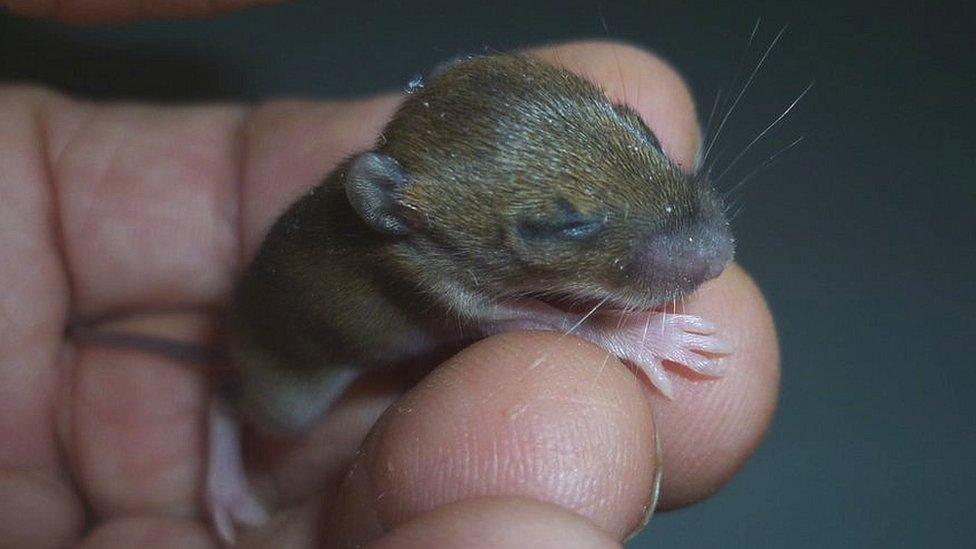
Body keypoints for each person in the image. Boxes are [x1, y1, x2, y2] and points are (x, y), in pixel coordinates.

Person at [0, 1, 780, 547]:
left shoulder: (424, 218)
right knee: (289, 413)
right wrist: (625, 338)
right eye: (560, 224)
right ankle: (225, 422)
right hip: (289, 350)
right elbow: (487, 311)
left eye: (633, 132)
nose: (703, 244)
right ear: (400, 210)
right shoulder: (419, 251)